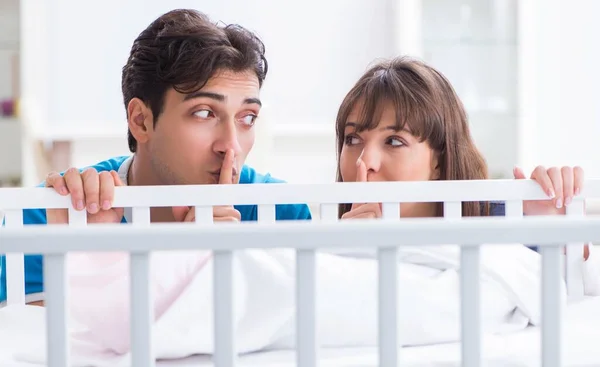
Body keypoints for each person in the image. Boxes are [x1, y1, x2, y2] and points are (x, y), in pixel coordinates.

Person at [0, 9, 311, 306]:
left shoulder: (284, 216)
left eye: (247, 118)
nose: (231, 146)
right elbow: (34, 349)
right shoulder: (49, 217)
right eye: (204, 113)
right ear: (141, 120)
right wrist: (92, 262)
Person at [334, 56, 600, 295]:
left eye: (393, 141)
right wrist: (345, 252)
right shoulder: (330, 247)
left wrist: (562, 232)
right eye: (353, 138)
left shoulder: (505, 225)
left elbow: (585, 293)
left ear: (439, 160)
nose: (364, 161)